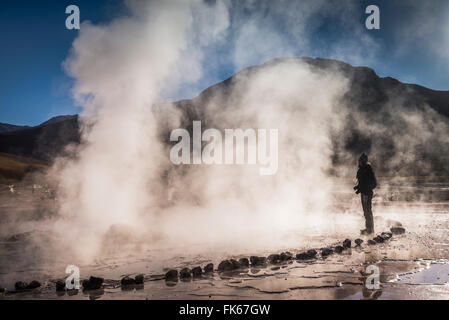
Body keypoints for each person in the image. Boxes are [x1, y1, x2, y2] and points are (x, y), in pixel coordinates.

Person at [354, 153, 377, 235]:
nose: (358, 162)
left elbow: (372, 183)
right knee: (366, 211)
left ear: (363, 161)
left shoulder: (367, 170)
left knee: (367, 211)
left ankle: (370, 230)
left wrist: (362, 189)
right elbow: (362, 183)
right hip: (364, 193)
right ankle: (368, 228)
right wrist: (358, 187)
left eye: (359, 161)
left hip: (366, 193)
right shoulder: (363, 169)